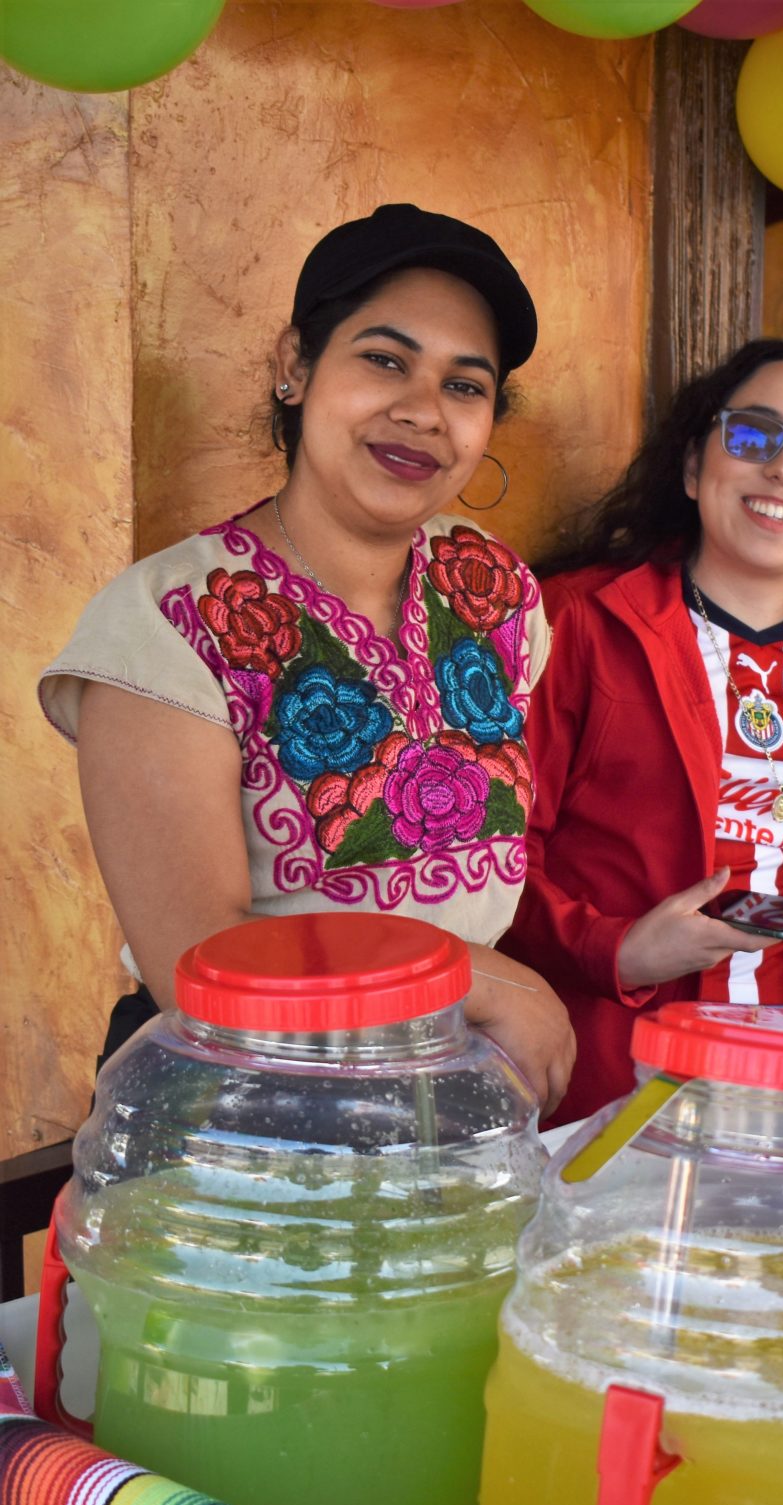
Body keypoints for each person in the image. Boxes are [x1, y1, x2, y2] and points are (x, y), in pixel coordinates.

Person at [39, 203, 575, 1114]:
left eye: (465, 385)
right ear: (296, 367)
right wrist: (487, 982)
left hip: (447, 1091)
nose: (420, 412)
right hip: (239, 1112)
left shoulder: (495, 592)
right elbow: (198, 967)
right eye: (384, 359)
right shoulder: (169, 620)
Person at [500, 338, 783, 1124]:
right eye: (753, 437)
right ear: (693, 465)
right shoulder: (576, 623)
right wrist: (618, 948)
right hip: (620, 1066)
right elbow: (490, 857)